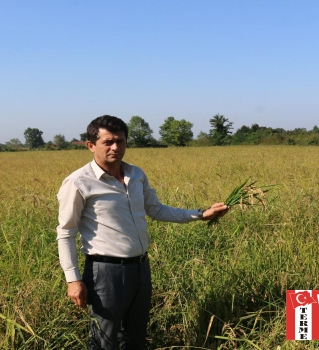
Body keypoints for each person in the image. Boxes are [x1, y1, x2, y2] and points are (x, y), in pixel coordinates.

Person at [56, 115, 229, 349]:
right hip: (105, 273)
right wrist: (73, 279)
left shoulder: (135, 174)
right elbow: (66, 232)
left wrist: (201, 214)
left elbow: (156, 209)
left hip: (140, 267)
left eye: (121, 141)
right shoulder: (78, 182)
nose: (115, 147)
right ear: (91, 145)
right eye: (108, 142)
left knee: (135, 336)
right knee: (105, 340)